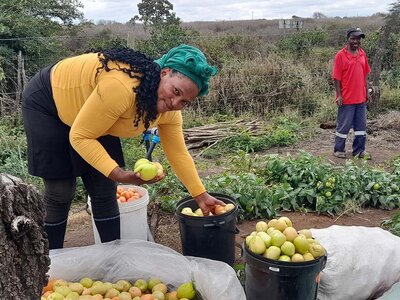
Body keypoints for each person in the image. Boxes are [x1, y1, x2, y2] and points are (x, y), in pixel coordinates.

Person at [22, 44, 226, 249]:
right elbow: (81, 136)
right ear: (163, 73)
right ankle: (49, 264)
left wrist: (200, 195)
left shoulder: (169, 112)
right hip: (48, 103)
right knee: (61, 191)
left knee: (103, 188)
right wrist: (118, 173)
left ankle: (113, 259)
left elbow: (179, 153)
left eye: (184, 101)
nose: (175, 102)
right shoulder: (121, 88)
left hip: (95, 111)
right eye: (175, 91)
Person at [332, 27, 371, 159]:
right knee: (344, 126)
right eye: (353, 38)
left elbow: (365, 74)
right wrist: (339, 95)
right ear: (348, 39)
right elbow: (336, 78)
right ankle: (338, 150)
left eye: (358, 39)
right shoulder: (340, 56)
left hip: (361, 98)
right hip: (347, 99)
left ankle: (359, 151)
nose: (356, 41)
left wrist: (367, 92)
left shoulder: (362, 54)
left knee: (361, 127)